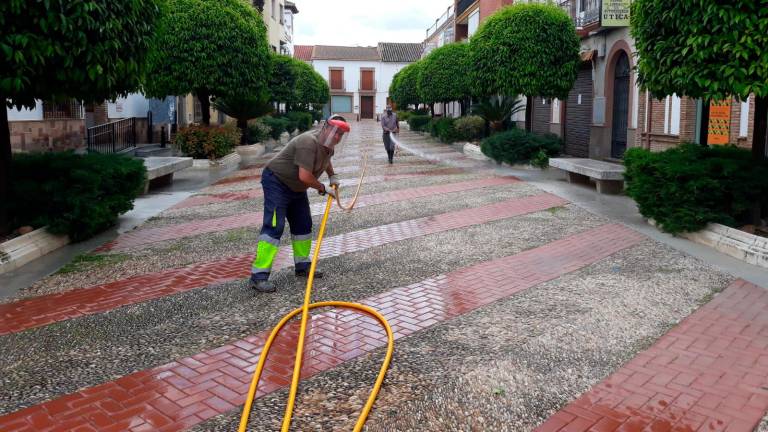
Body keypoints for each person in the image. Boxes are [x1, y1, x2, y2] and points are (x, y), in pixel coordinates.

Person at [249, 116, 351, 293]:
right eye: (335, 132)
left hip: (297, 187)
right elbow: (304, 176)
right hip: (277, 182)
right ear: (325, 127)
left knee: (303, 225)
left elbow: (326, 160)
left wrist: (332, 175)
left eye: (340, 134)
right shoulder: (308, 142)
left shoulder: (329, 146)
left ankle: (302, 266)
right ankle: (258, 276)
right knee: (274, 226)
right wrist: (323, 188)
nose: (337, 137)